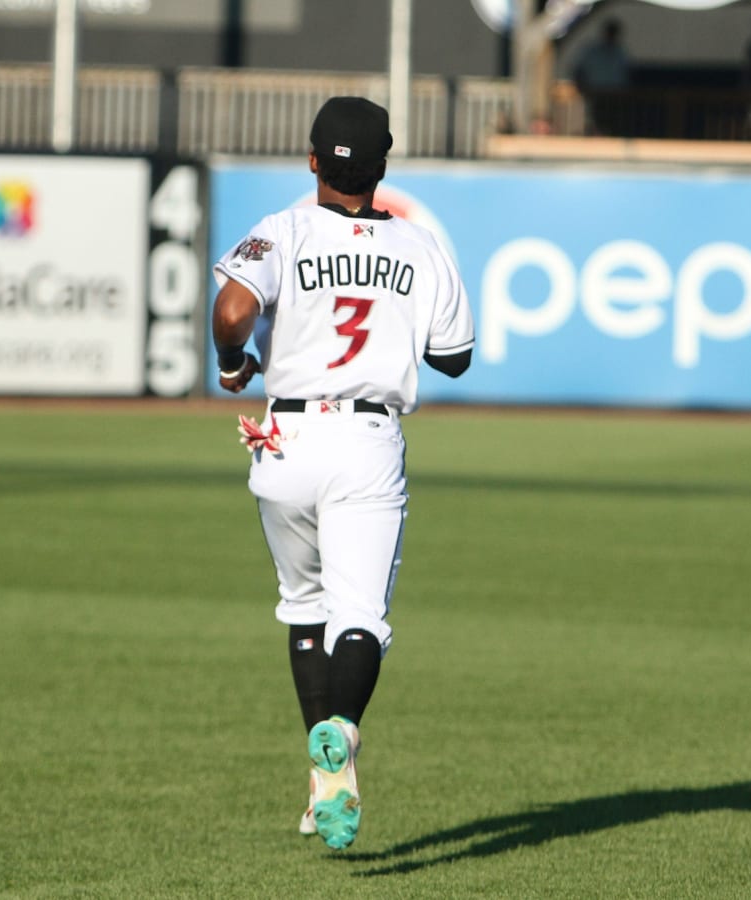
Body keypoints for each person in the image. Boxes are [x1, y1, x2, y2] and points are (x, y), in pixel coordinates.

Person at [211, 96, 474, 851]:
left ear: (314, 161)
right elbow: (455, 355)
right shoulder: (420, 247)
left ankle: (325, 782)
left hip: (285, 437)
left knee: (304, 608)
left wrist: (235, 363)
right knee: (359, 618)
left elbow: (232, 310)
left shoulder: (283, 229)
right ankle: (342, 736)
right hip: (365, 436)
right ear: (383, 168)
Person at [572, 18, 631, 136]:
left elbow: (626, 74)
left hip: (615, 97)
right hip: (595, 94)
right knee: (595, 120)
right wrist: (582, 89)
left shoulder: (620, 53)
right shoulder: (592, 51)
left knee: (611, 123)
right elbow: (579, 71)